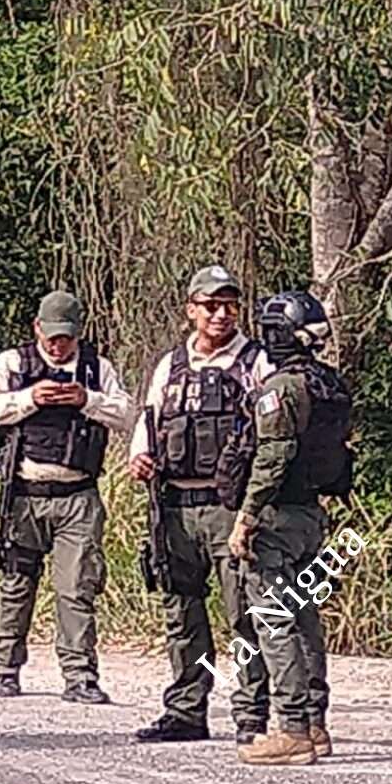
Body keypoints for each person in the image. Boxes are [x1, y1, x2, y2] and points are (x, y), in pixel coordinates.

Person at [129, 265, 276, 745]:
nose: (221, 313)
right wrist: (140, 457)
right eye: (211, 305)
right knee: (181, 611)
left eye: (230, 304)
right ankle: (187, 709)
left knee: (245, 615)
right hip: (173, 506)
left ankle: (250, 715)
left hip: (227, 507)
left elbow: (272, 433)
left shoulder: (256, 362)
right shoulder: (169, 365)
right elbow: (148, 422)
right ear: (191, 309)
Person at [0, 290, 134, 704]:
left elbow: (128, 415)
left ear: (78, 334)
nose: (58, 345)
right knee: (16, 583)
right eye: (51, 336)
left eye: (66, 338)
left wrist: (87, 400)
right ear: (37, 328)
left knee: (76, 589)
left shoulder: (97, 369)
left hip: (78, 496)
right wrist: (30, 398)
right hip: (24, 493)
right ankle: (5, 668)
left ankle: (80, 676)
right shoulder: (14, 363)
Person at [228, 290, 353, 765]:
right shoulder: (328, 383)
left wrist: (247, 516)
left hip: (276, 517)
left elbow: (273, 455)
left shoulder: (282, 387)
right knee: (305, 619)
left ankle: (293, 729)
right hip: (311, 516)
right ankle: (315, 724)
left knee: (274, 621)